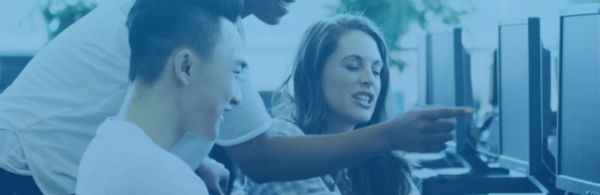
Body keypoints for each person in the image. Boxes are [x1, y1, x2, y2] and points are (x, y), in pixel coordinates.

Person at [0, 0, 472, 194]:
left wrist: (191, 158)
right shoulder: (201, 25)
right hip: (22, 167)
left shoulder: (217, 25)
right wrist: (390, 134)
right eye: (351, 64)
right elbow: (262, 156)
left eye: (376, 68)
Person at [75, 0, 245, 194]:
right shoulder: (165, 179)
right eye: (234, 72)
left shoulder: (104, 143)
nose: (237, 97)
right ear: (186, 67)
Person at [245, 14, 420, 195]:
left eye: (376, 71)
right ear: (314, 74)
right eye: (353, 66)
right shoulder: (282, 136)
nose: (370, 79)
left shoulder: (380, 159)